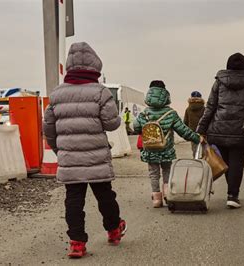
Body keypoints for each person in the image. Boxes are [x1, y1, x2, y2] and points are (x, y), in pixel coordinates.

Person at [43, 42, 126, 258]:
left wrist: (60, 150)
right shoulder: (101, 92)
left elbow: (48, 129)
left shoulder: (56, 95)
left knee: (73, 201)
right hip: (96, 156)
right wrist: (116, 117)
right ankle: (114, 229)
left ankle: (77, 242)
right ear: (94, 66)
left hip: (69, 158)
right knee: (105, 196)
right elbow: (110, 124)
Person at [197, 53, 244, 209]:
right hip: (242, 131)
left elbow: (210, 107)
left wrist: (201, 129)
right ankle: (233, 195)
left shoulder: (219, 82)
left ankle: (231, 193)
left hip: (219, 129)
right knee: (237, 164)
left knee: (226, 163)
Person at [134, 80, 202, 208]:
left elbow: (136, 128)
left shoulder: (144, 113)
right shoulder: (170, 113)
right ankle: (167, 195)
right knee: (167, 171)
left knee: (153, 173)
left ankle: (156, 199)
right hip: (166, 149)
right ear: (165, 94)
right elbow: (183, 130)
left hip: (150, 148)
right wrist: (197, 138)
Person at [183, 91, 205, 156]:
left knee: (194, 150)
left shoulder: (188, 109)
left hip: (192, 132)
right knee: (204, 148)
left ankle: (196, 161)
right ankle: (204, 162)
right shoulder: (204, 109)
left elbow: (185, 122)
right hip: (203, 132)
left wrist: (187, 133)